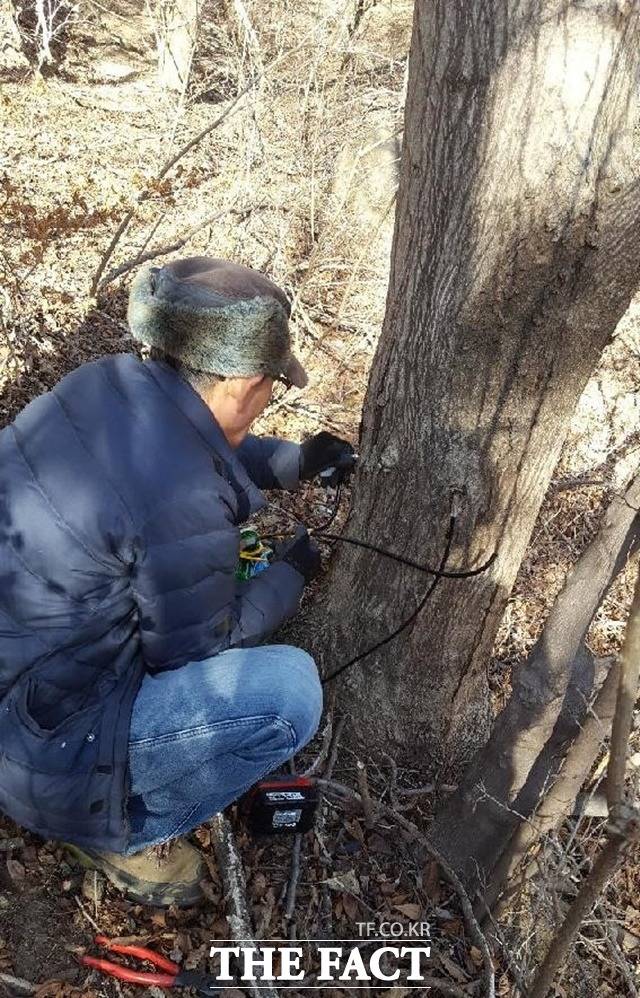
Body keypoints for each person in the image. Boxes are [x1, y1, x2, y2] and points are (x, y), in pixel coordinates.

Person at [0, 257, 354, 907]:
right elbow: (198, 654)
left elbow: (196, 442)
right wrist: (293, 572)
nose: (269, 399)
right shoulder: (182, 497)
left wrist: (297, 461)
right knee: (290, 691)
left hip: (24, 685)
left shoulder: (104, 383)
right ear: (243, 384)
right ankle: (121, 835)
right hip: (43, 749)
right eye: (272, 384)